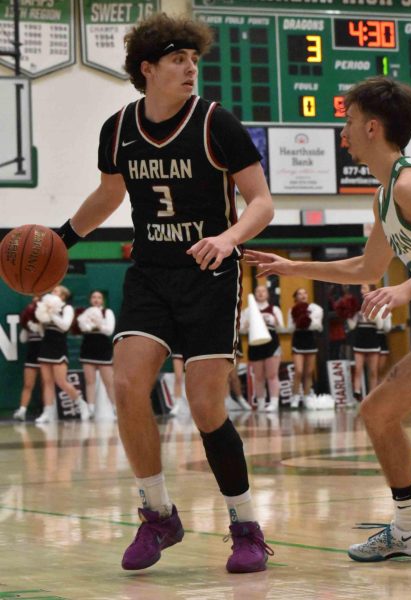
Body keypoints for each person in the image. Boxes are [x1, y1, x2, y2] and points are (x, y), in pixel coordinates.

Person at [56, 12, 274, 573]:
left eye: (193, 60)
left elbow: (261, 202)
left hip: (210, 276)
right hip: (151, 274)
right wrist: (62, 238)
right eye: (178, 60)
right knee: (129, 385)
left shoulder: (215, 123)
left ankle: (246, 524)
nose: (190, 69)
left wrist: (227, 239)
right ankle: (158, 514)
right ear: (146, 69)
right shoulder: (119, 128)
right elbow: (109, 195)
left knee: (205, 407)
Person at [246, 75, 411, 562]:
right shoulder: (384, 195)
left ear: (372, 127)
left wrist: (408, 288)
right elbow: (367, 268)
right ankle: (409, 529)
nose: (341, 131)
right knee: (377, 412)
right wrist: (291, 267)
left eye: (346, 120)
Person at [35, 286, 90, 423]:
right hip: (46, 344)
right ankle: (47, 412)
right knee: (46, 382)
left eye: (56, 291)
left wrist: (52, 313)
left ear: (64, 296)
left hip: (59, 345)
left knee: (61, 381)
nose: (53, 293)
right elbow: (42, 330)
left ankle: (82, 404)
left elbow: (65, 326)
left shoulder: (67, 308)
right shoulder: (47, 309)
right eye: (52, 291)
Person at [240, 285, 284, 412]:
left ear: (267, 294)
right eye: (257, 291)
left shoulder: (274, 309)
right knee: (258, 376)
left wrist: (275, 322)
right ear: (254, 294)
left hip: (272, 344)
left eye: (263, 291)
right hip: (255, 345)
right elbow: (242, 330)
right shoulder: (248, 311)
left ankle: (274, 403)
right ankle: (260, 403)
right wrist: (246, 325)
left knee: (272, 374)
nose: (260, 293)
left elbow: (282, 328)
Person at [77, 290, 116, 418]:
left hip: (103, 348)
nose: (96, 299)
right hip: (88, 347)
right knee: (90, 381)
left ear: (102, 300)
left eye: (99, 297)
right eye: (94, 297)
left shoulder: (107, 312)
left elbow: (109, 330)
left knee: (109, 381)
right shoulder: (85, 313)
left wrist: (98, 323)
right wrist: (88, 323)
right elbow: (84, 328)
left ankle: (116, 409)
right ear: (90, 300)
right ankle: (90, 410)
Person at [287, 288, 323, 409]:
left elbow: (318, 326)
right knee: (299, 371)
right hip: (298, 340)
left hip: (310, 340)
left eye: (305, 293)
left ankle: (307, 397)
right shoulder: (291, 310)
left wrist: (306, 319)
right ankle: (295, 397)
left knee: (308, 372)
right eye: (299, 294)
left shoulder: (314, 309)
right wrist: (297, 319)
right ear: (296, 297)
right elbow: (290, 328)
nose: (303, 295)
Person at [347, 284, 382, 401]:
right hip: (359, 340)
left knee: (373, 371)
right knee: (358, 369)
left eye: (364, 288)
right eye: (361, 288)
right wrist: (349, 314)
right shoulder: (356, 306)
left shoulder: (377, 305)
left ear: (371, 290)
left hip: (372, 339)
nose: (362, 291)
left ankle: (373, 397)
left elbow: (381, 325)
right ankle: (357, 393)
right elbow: (352, 326)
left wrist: (372, 314)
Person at [13, 297, 44, 421]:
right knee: (28, 384)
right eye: (33, 302)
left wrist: (39, 325)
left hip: (44, 354)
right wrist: (26, 326)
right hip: (31, 354)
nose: (34, 304)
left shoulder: (47, 320)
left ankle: (47, 410)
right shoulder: (29, 320)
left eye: (37, 302)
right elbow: (23, 339)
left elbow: (45, 334)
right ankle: (22, 410)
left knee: (45, 385)